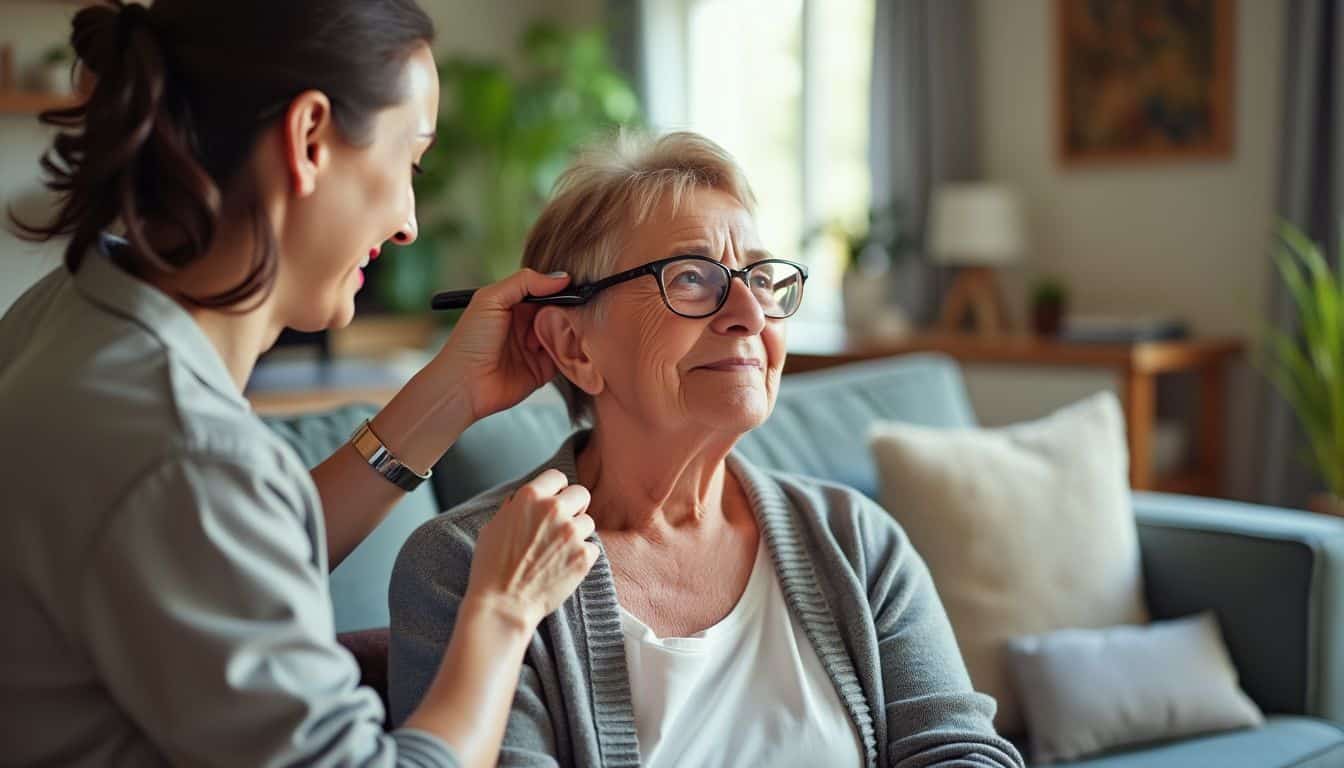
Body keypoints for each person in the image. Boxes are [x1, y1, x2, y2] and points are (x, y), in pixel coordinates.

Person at [0, 1, 599, 766]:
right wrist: (504, 608)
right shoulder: (184, 454)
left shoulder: (72, 311)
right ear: (309, 138)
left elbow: (219, 561)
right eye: (409, 162)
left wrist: (452, 394)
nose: (410, 222)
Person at [389, 132, 1025, 767]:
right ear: (575, 345)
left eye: (761, 276)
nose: (750, 312)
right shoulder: (466, 569)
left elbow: (959, 753)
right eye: (691, 278)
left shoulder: (856, 541)